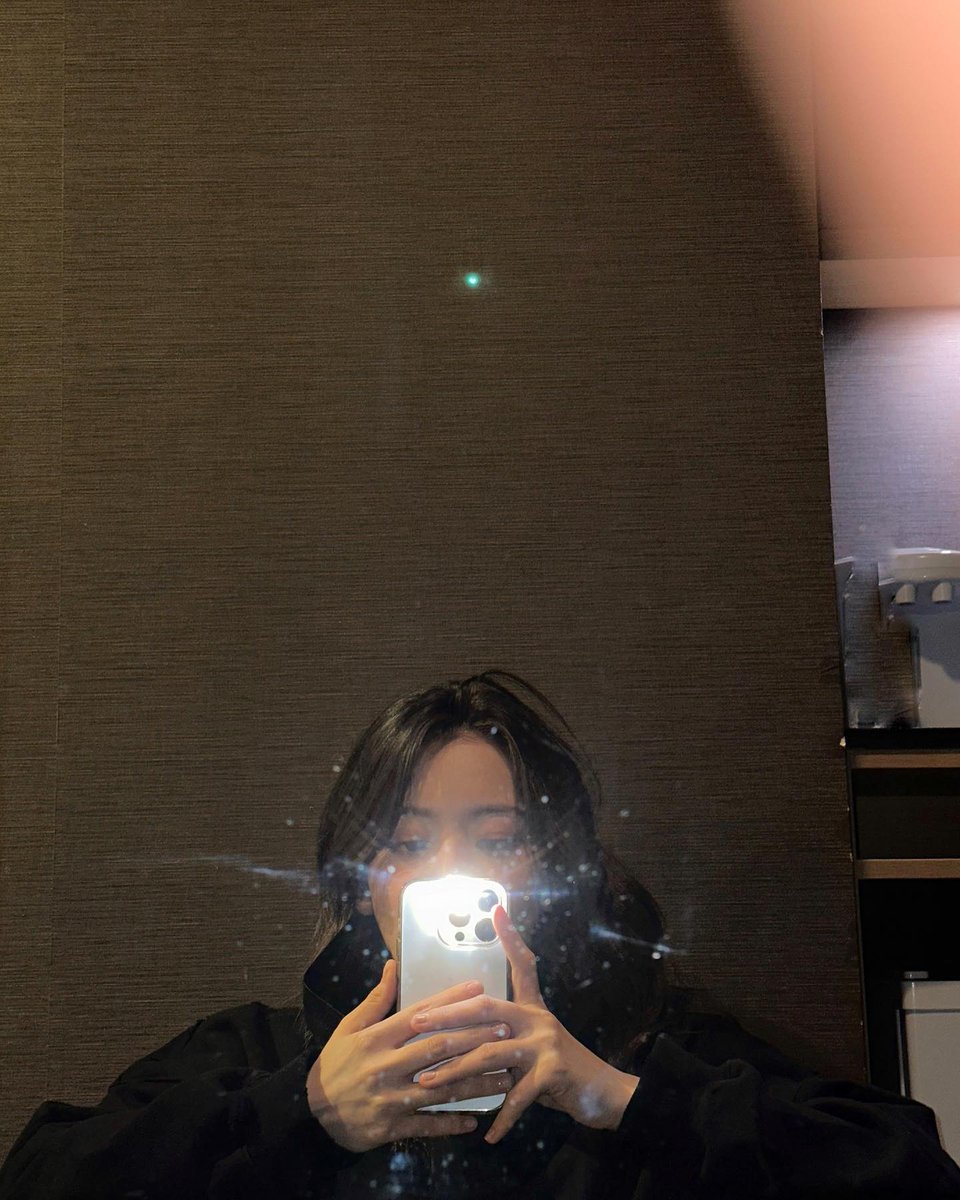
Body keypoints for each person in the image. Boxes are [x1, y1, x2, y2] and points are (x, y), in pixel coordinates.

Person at [2, 670, 958, 1199]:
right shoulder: (260, 1055)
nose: (447, 870)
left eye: (496, 840)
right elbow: (42, 1180)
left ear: (554, 867)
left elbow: (912, 1176)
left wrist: (620, 1099)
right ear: (358, 877)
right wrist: (304, 1111)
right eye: (406, 841)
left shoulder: (646, 1051)